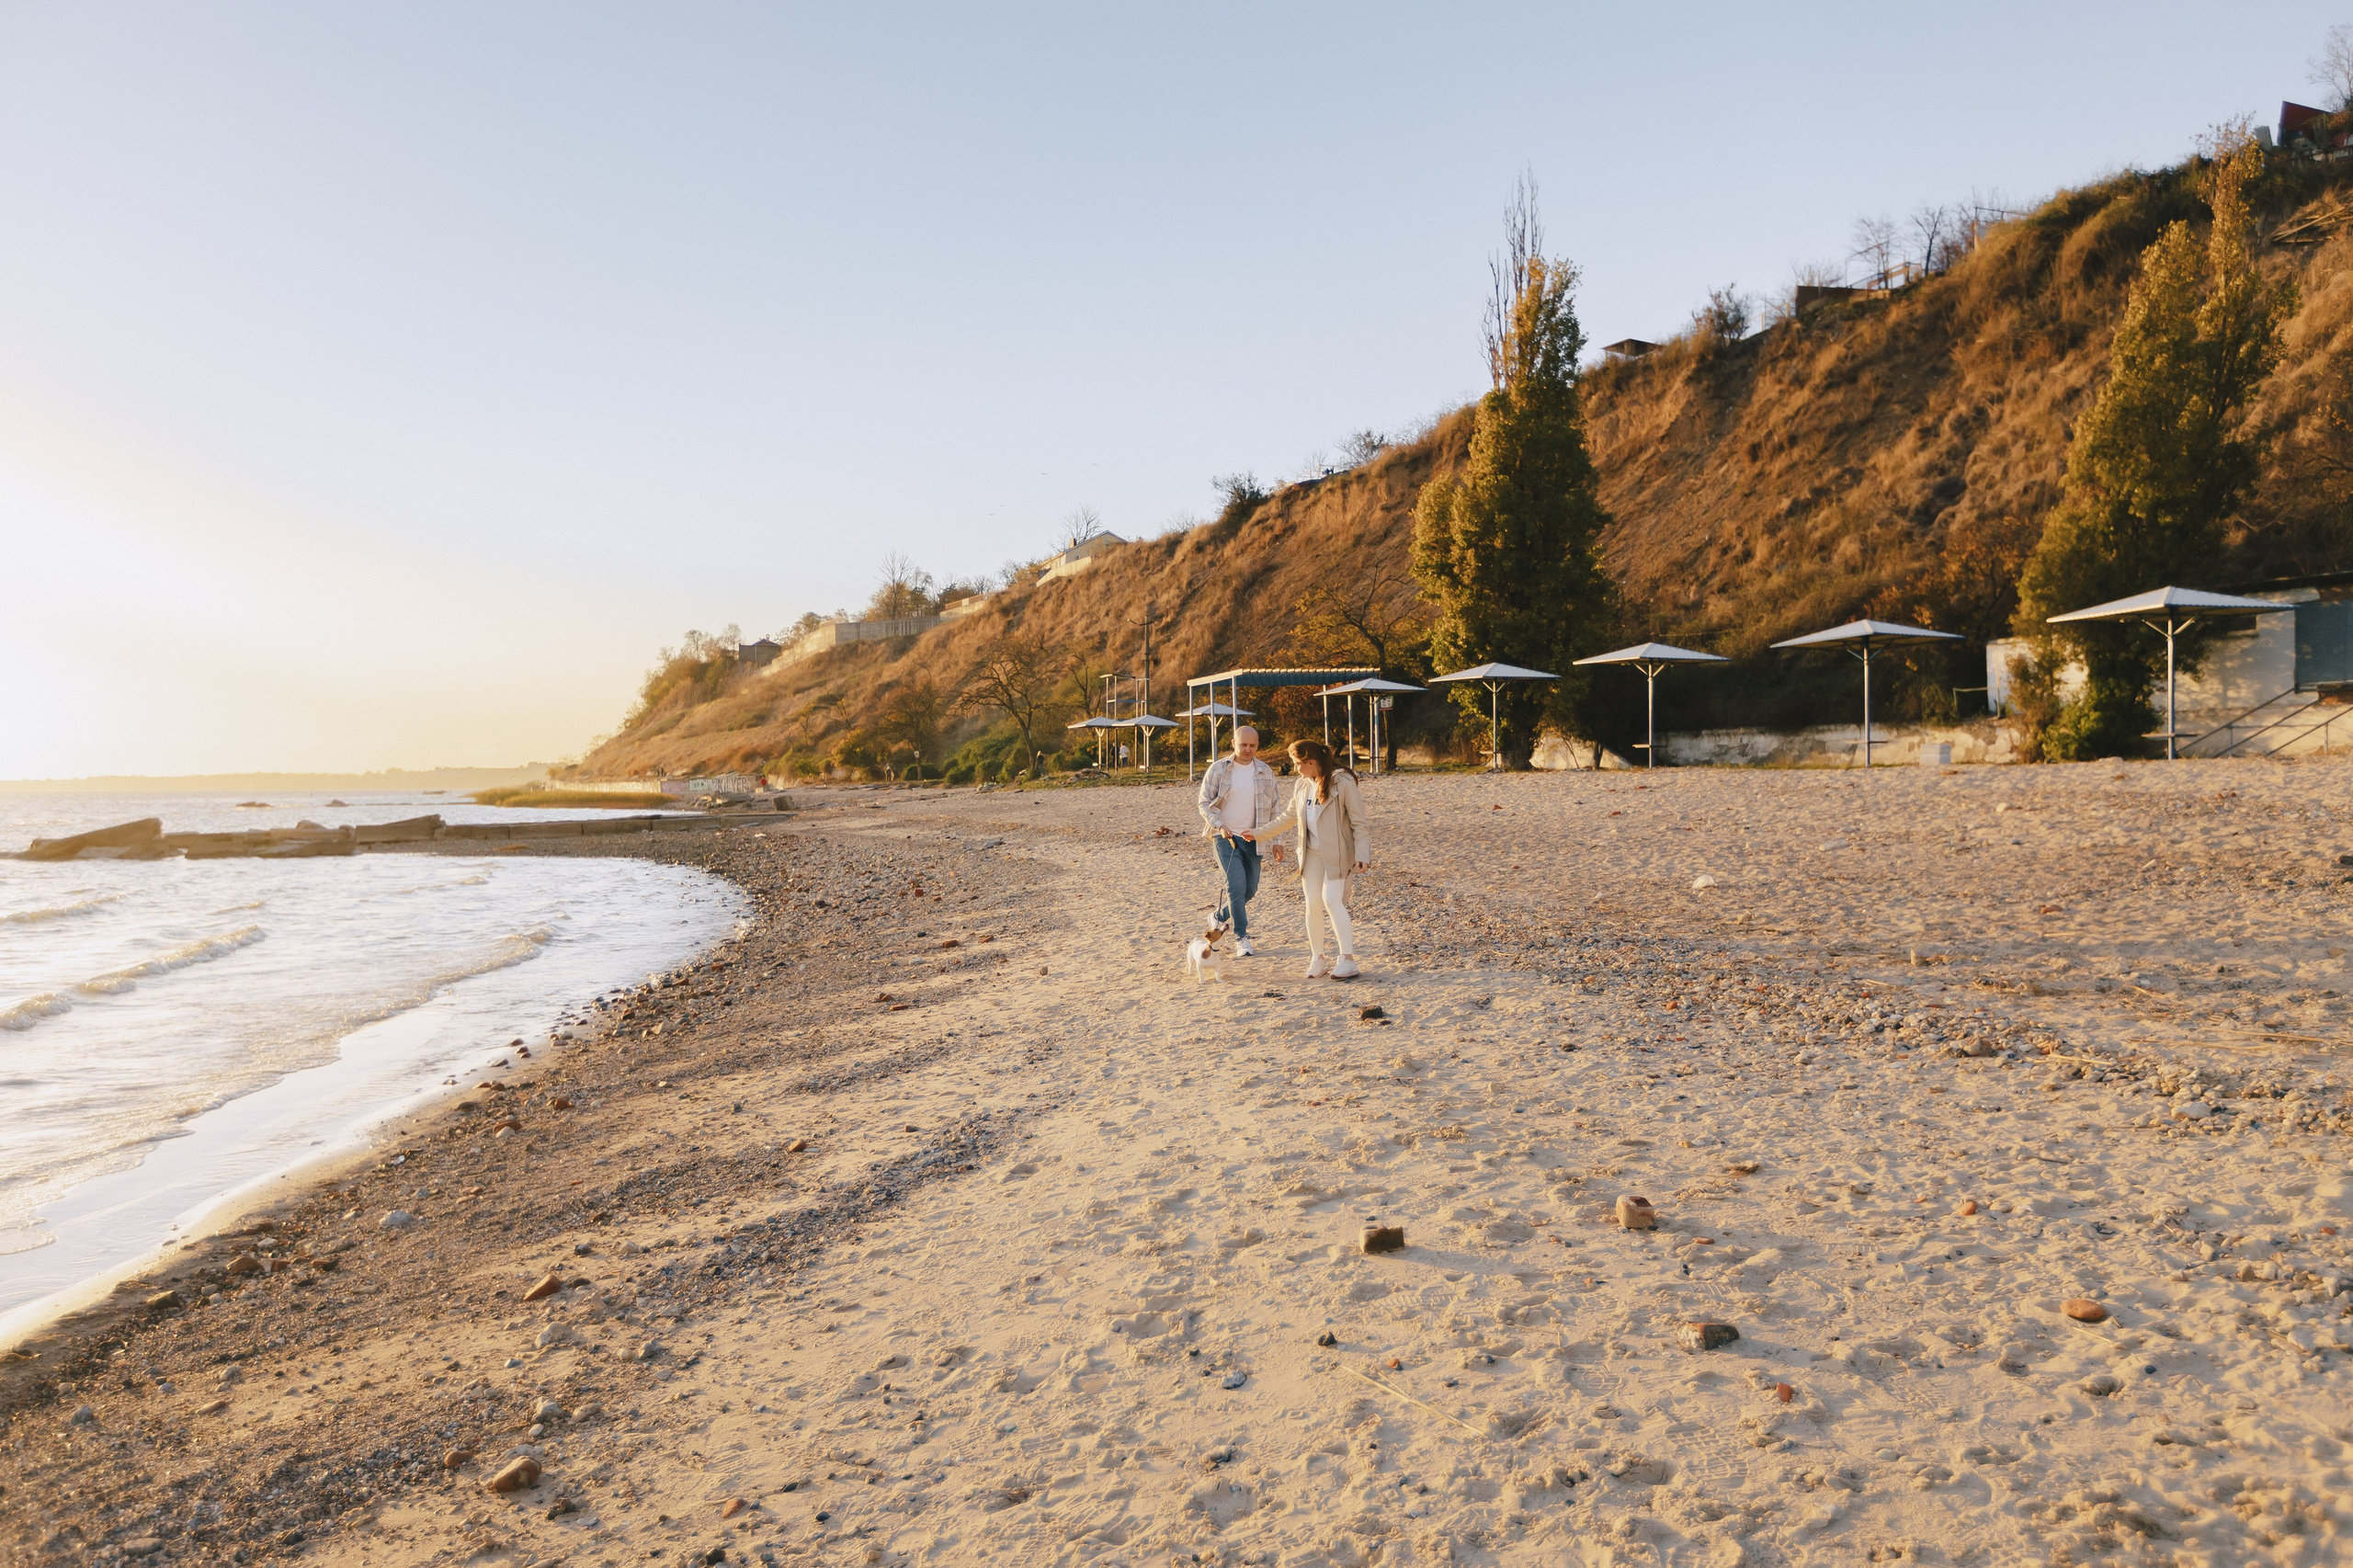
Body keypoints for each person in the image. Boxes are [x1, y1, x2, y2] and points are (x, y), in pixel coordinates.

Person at [1247, 738, 1370, 979]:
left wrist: (1363, 855)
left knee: (1332, 900)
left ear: (1311, 762)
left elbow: (1359, 822)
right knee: (1312, 904)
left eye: (1297, 763)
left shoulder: (1343, 783)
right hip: (1310, 855)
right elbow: (1288, 817)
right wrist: (1257, 834)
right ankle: (1318, 958)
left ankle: (1347, 960)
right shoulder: (1302, 785)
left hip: (1338, 855)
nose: (1295, 769)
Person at [1195, 725, 1279, 957]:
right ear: (1234, 743)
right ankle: (1242, 937)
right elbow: (1204, 802)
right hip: (1225, 838)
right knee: (1235, 887)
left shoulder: (1265, 771)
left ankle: (1219, 916)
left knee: (1249, 890)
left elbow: (1275, 809)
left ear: (1257, 745)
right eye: (1243, 745)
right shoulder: (1218, 769)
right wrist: (1219, 825)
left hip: (1254, 838)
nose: (1248, 749)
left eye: (1252, 745)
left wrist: (1277, 841)